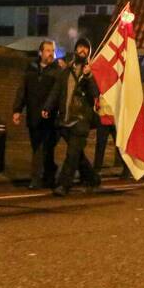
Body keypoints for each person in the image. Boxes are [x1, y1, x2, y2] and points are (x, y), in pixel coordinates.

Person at [43, 37, 100, 196]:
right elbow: (56, 91)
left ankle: (63, 184)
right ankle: (92, 177)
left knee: (72, 154)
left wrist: (89, 78)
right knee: (77, 154)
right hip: (65, 120)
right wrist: (47, 107)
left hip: (81, 120)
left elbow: (96, 94)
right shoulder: (66, 71)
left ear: (89, 52)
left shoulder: (90, 73)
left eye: (86, 49)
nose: (83, 50)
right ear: (75, 49)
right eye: (80, 47)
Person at [13, 41, 61, 189]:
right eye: (47, 50)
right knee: (38, 148)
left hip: (50, 117)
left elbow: (57, 94)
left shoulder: (57, 71)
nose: (50, 53)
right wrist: (17, 110)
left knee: (43, 147)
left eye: (52, 51)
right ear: (40, 53)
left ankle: (36, 178)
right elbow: (23, 90)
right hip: (33, 116)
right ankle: (50, 173)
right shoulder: (31, 69)